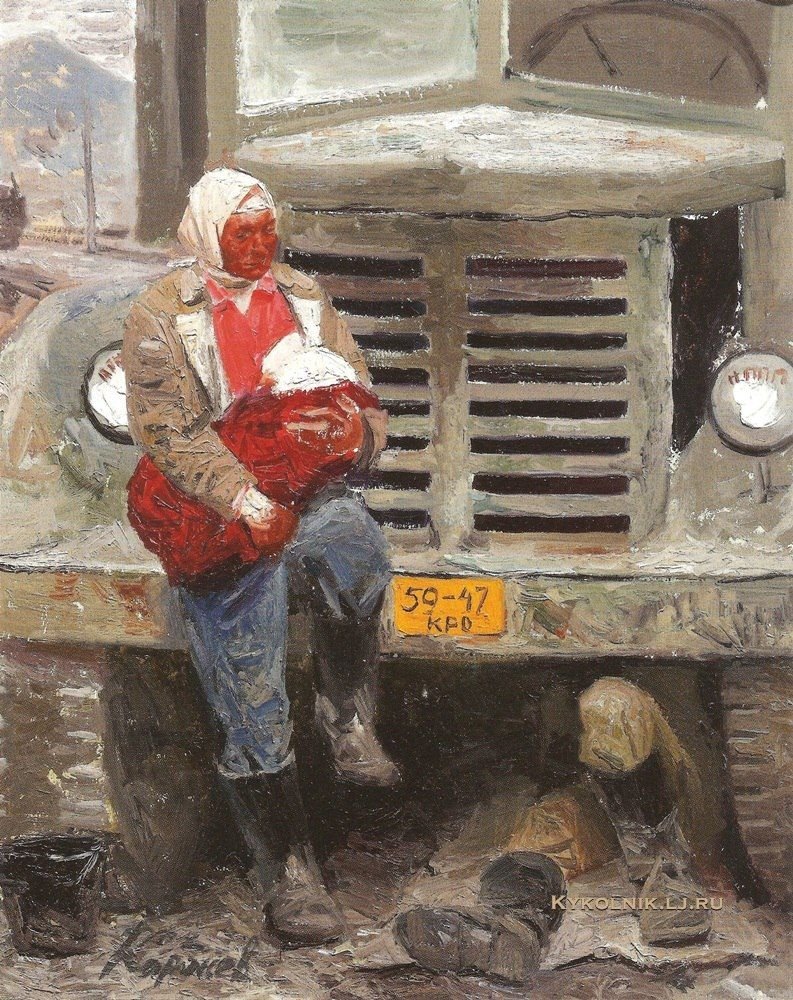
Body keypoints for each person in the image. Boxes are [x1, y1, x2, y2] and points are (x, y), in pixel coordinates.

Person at [121, 167, 399, 946]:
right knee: (249, 679)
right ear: (208, 235)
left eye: (268, 229)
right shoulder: (161, 313)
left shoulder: (303, 296)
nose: (260, 244)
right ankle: (288, 872)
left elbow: (359, 388)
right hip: (212, 509)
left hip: (303, 491)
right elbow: (170, 434)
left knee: (356, 551)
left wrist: (355, 434)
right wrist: (246, 503)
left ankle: (346, 716)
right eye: (243, 232)